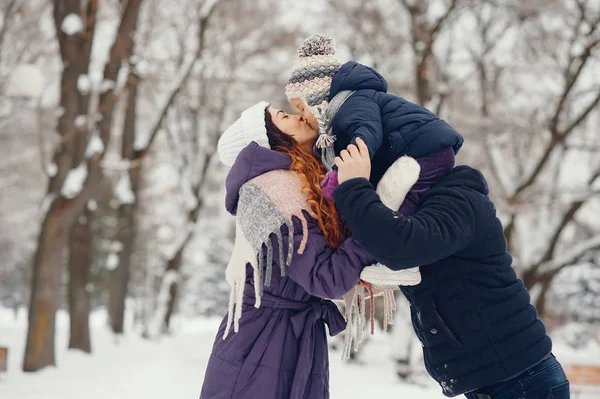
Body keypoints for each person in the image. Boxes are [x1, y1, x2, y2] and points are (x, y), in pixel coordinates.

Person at [331, 138, 570, 398]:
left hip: (523, 382)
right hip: (499, 380)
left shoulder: (458, 201)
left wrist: (354, 186)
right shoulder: (428, 211)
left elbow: (400, 246)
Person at [200, 102, 376, 399]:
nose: (298, 117)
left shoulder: (304, 181)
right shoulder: (275, 189)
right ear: (269, 138)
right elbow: (326, 277)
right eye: (284, 117)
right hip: (261, 345)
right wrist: (375, 224)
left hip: (281, 338)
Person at [285, 34, 460, 199]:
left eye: (302, 108)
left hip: (427, 150)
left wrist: (340, 174)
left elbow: (367, 134)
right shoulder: (344, 112)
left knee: (396, 206)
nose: (301, 116)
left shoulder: (352, 102)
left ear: (318, 99)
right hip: (422, 151)